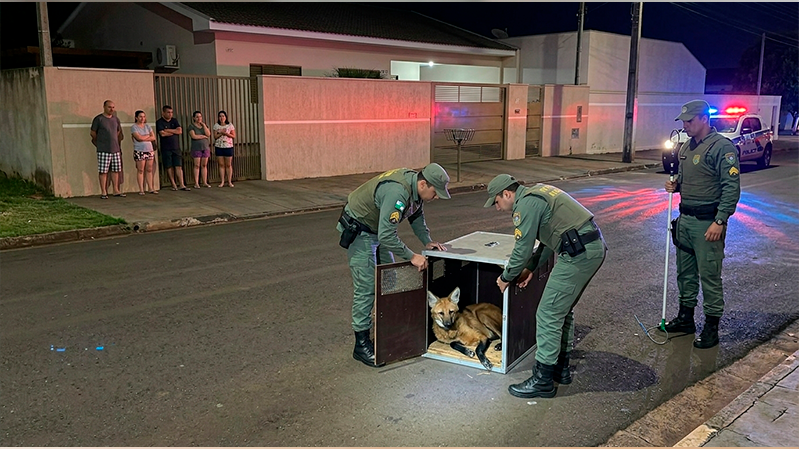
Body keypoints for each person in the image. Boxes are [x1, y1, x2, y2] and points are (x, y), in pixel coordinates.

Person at [484, 174, 607, 398]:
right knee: (561, 309)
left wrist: (506, 277)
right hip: (588, 248)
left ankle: (542, 380)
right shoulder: (538, 192)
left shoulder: (526, 205)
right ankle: (561, 368)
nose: (497, 207)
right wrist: (530, 268)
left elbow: (522, 249)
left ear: (507, 194)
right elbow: (550, 241)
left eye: (497, 201)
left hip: (578, 255)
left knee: (548, 313)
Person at [337, 164, 452, 367]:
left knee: (389, 281)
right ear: (424, 183)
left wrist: (427, 240)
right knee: (368, 287)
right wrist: (411, 256)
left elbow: (416, 215)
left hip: (377, 229)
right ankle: (361, 344)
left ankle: (387, 332)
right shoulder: (397, 192)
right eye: (435, 192)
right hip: (361, 230)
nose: (436, 197)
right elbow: (386, 235)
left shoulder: (415, 190)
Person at [663, 99, 740, 349]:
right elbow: (685, 180)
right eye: (683, 121)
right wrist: (675, 187)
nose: (685, 125)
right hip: (685, 220)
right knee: (684, 273)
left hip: (708, 223)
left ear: (704, 119)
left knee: (709, 275)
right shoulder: (686, 147)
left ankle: (711, 326)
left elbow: (731, 187)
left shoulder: (722, 147)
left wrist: (720, 220)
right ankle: (686, 318)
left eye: (690, 121)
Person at [90, 100, 125, 199]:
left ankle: (116, 190)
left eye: (113, 107)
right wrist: (101, 142)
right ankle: (104, 192)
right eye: (109, 107)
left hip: (115, 149)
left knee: (115, 170)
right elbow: (93, 133)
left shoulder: (116, 119)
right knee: (103, 171)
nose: (111, 109)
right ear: (104, 107)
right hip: (103, 149)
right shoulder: (98, 119)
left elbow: (118, 132)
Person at [156, 105, 190, 191]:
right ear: (163, 113)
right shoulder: (159, 122)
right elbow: (162, 134)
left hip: (176, 147)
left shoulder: (174, 121)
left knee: (178, 165)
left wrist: (168, 130)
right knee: (169, 166)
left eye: (171, 112)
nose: (170, 114)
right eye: (168, 112)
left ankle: (182, 184)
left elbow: (179, 131)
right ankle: (173, 184)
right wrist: (173, 131)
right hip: (166, 148)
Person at [130, 110, 157, 195]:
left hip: (149, 150)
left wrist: (144, 137)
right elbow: (139, 138)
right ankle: (141, 189)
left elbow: (153, 137)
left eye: (144, 116)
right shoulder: (134, 127)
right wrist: (147, 136)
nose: (142, 118)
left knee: (149, 169)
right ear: (136, 118)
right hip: (140, 150)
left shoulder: (148, 126)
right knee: (140, 170)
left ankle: (151, 188)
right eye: (140, 116)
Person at [189, 111, 212, 188]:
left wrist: (204, 125)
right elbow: (194, 136)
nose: (199, 118)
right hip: (196, 148)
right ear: (194, 118)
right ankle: (196, 183)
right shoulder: (191, 126)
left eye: (200, 117)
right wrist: (203, 136)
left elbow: (208, 134)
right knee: (196, 165)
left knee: (204, 165)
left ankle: (204, 182)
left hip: (205, 147)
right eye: (197, 117)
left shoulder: (204, 125)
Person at [213, 110, 236, 188]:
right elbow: (215, 137)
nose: (221, 118)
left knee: (228, 165)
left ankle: (229, 181)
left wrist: (226, 134)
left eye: (223, 116)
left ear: (226, 117)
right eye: (220, 116)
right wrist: (221, 133)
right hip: (219, 146)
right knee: (221, 164)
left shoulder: (230, 125)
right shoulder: (216, 125)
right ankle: (222, 181)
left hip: (228, 146)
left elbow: (233, 136)